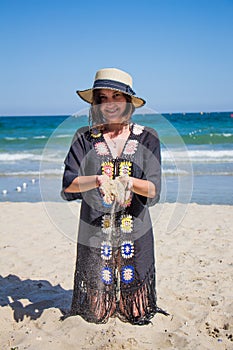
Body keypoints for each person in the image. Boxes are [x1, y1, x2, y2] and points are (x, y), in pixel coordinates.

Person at [61, 68, 168, 325]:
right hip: (96, 229)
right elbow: (68, 185)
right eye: (102, 98)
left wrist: (129, 183)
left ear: (128, 102)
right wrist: (96, 180)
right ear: (95, 104)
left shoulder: (147, 137)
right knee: (96, 315)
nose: (109, 104)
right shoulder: (84, 138)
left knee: (136, 313)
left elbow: (154, 189)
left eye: (116, 97)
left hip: (136, 229)